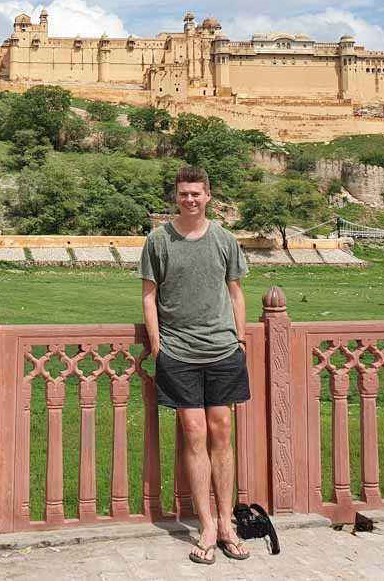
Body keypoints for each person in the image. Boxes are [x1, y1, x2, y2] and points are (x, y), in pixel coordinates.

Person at [140, 165, 250, 564]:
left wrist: (239, 339)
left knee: (222, 433)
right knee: (193, 433)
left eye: (196, 194)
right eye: (184, 194)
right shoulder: (159, 240)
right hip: (179, 352)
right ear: (177, 197)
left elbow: (235, 292)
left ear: (208, 196)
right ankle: (205, 524)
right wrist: (157, 346)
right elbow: (149, 296)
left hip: (222, 350)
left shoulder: (224, 239)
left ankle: (226, 524)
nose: (190, 200)